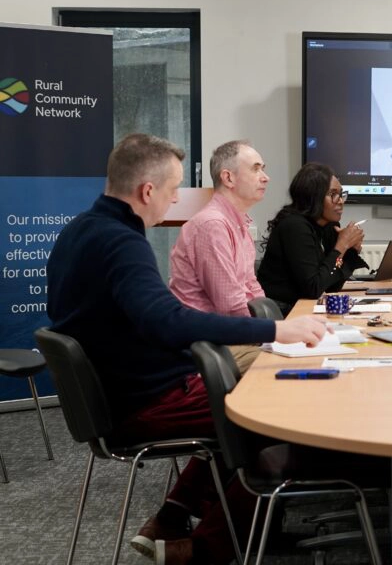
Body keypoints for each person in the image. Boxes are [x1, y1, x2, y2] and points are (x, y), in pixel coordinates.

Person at [47, 133, 327, 565]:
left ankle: (175, 517)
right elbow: (168, 321)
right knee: (278, 418)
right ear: (147, 191)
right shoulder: (121, 242)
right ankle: (207, 551)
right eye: (174, 189)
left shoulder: (77, 231)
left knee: (255, 404)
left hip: (118, 393)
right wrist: (274, 330)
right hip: (143, 401)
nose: (176, 199)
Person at [168, 140, 268, 374]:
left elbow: (252, 288)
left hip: (227, 338)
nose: (265, 177)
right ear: (228, 178)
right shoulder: (212, 225)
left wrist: (273, 328)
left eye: (263, 168)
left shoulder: (238, 222)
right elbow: (230, 306)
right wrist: (271, 335)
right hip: (209, 347)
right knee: (291, 365)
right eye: (255, 169)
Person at [257, 162, 368, 314]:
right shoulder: (295, 226)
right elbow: (313, 288)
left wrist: (348, 250)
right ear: (313, 197)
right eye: (332, 194)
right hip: (283, 311)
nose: (340, 201)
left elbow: (330, 285)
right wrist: (342, 246)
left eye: (341, 194)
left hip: (304, 307)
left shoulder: (328, 226)